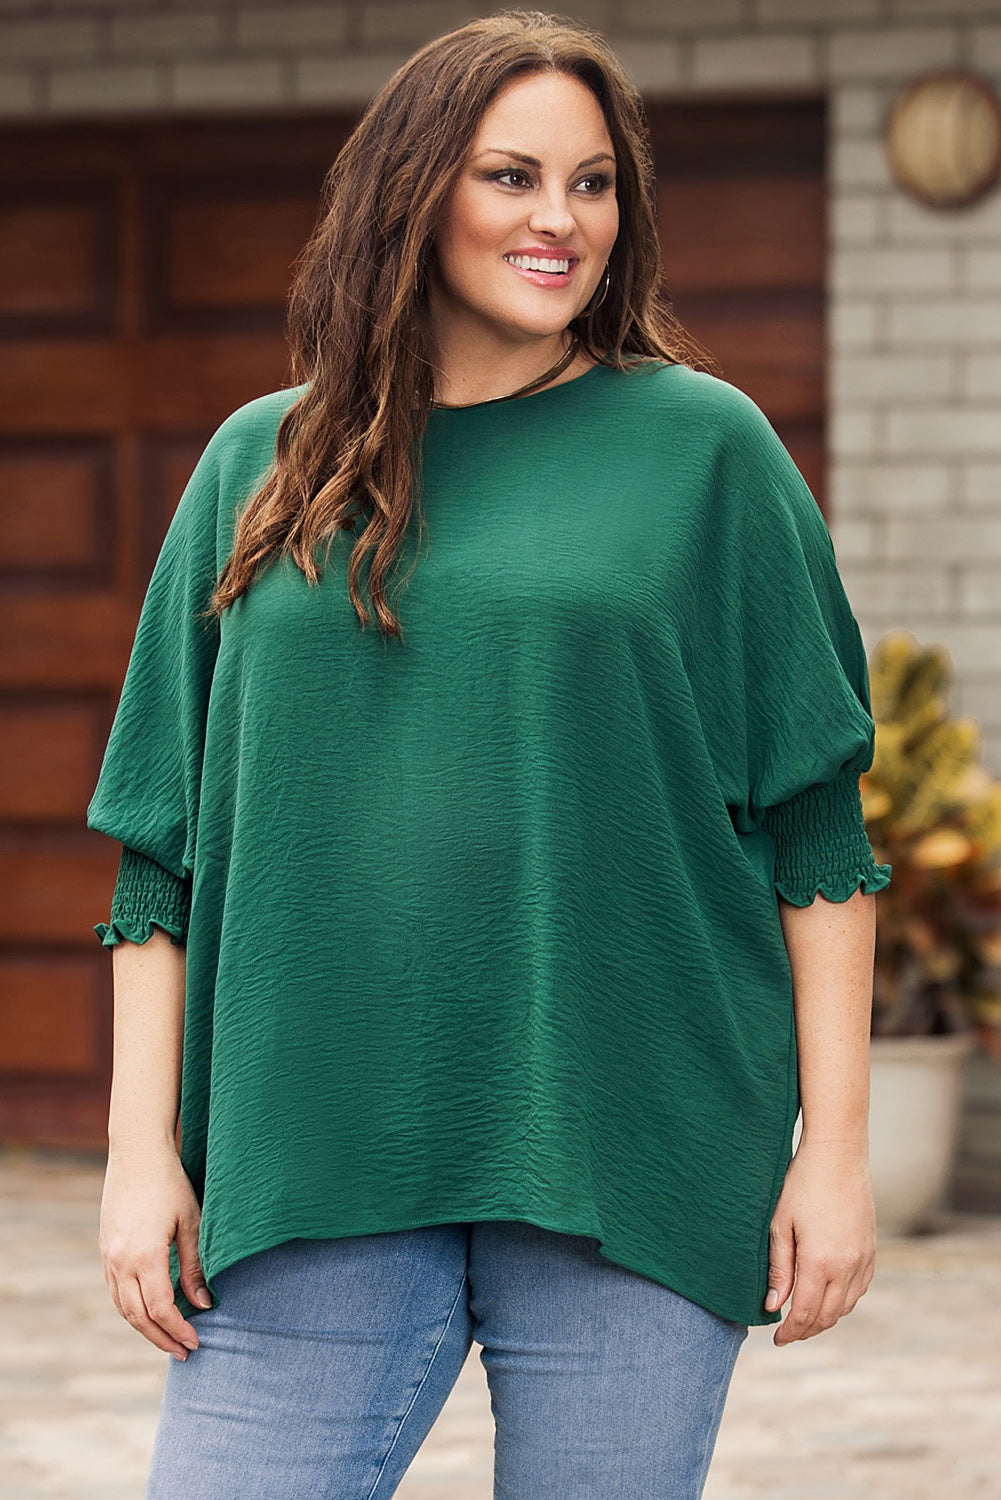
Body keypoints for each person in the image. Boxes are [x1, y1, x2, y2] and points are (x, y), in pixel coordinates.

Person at [87, 9, 892, 1498]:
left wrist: (831, 1154)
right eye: (511, 175)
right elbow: (161, 851)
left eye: (593, 184)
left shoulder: (707, 451)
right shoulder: (260, 465)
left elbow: (815, 831)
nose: (558, 220)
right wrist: (144, 1152)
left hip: (630, 1136)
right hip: (310, 1139)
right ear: (413, 194)